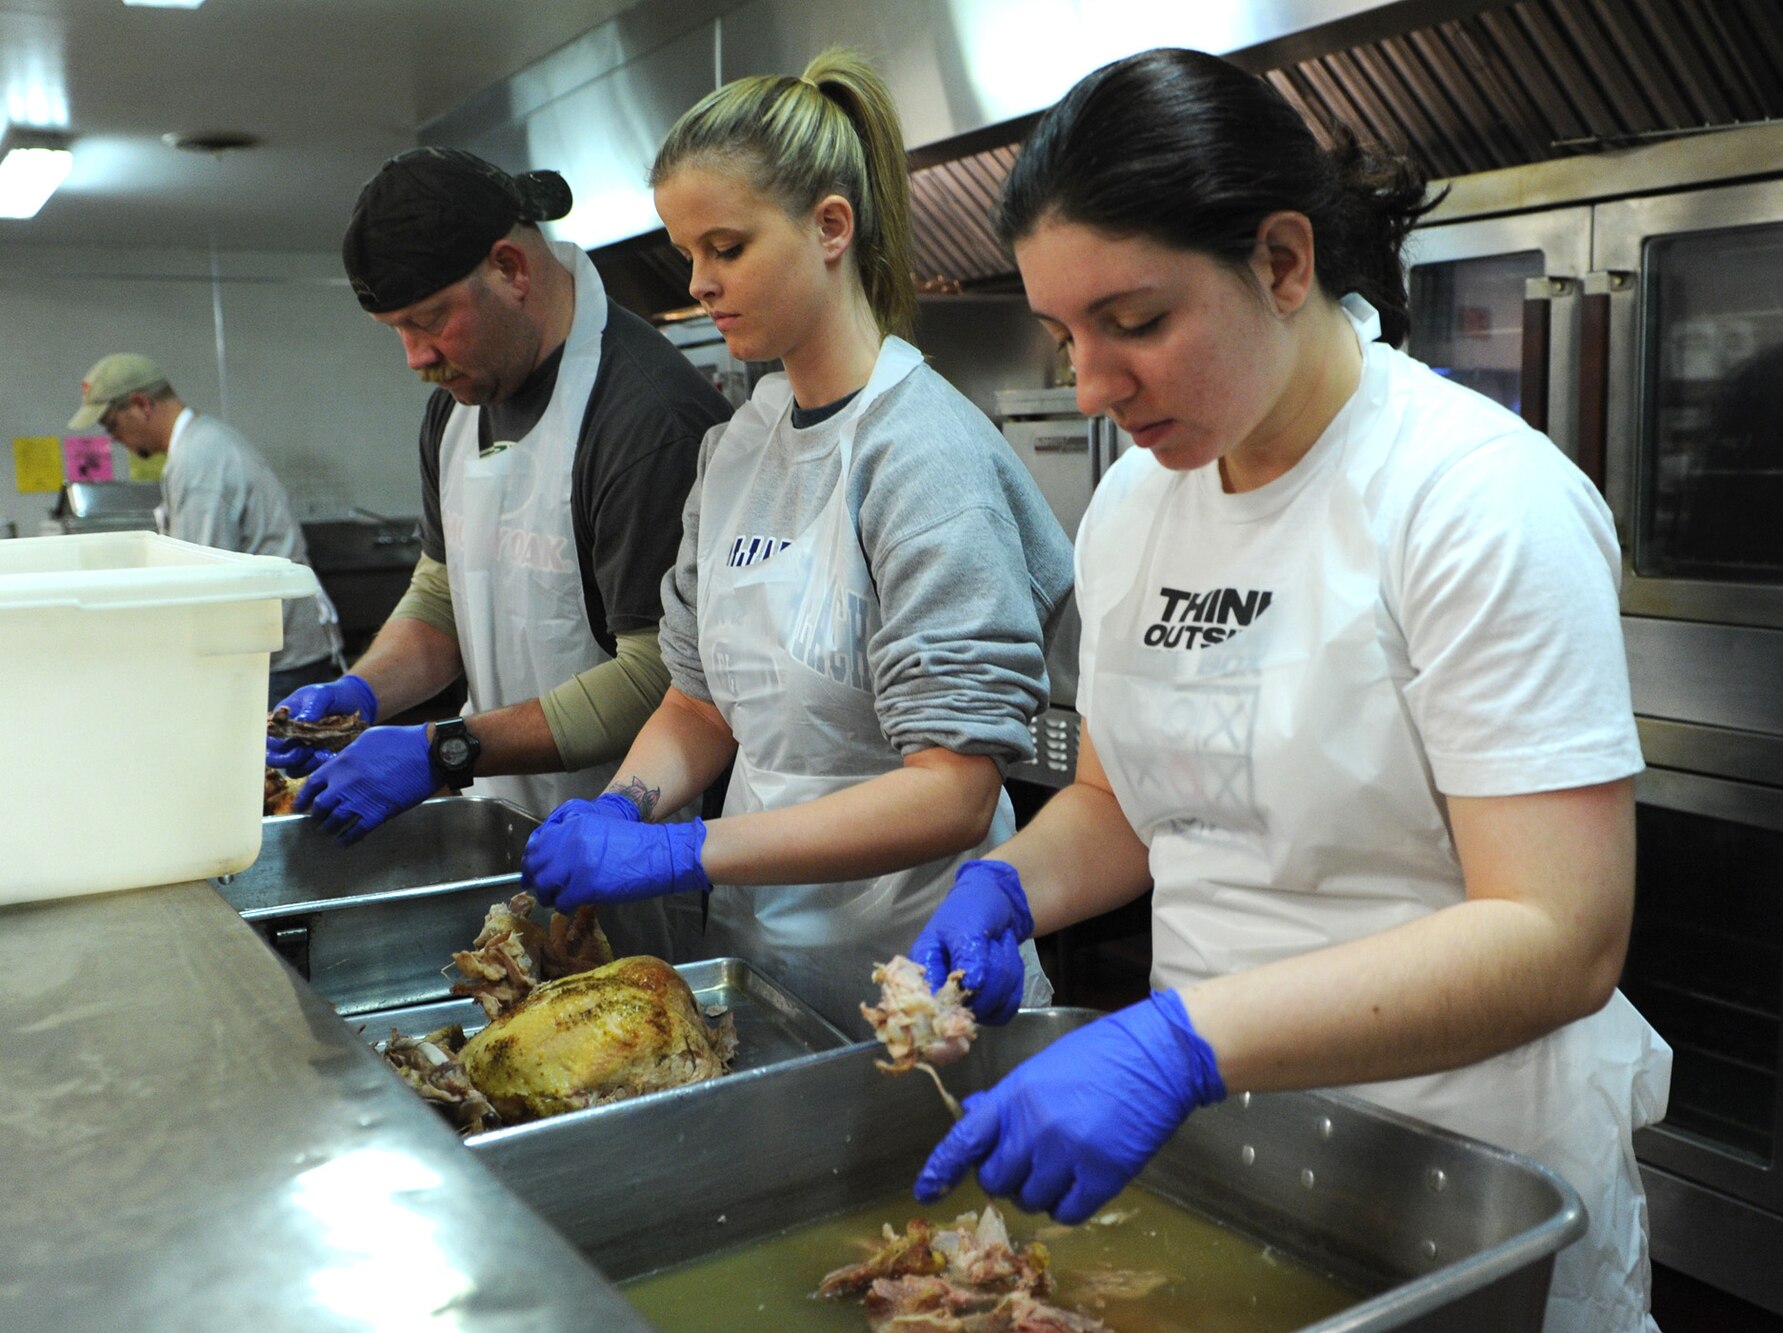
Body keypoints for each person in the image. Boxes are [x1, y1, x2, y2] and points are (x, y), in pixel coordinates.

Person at [907, 49, 1671, 1333]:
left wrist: (1179, 1043)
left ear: (1279, 260)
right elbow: (1121, 802)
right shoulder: (1132, 509)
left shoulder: (1474, 501)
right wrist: (1003, 888)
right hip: (1223, 1163)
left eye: (1134, 323)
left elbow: (1559, 934)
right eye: (1062, 337)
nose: (1091, 385)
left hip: (1465, 1185)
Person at [517, 49, 1072, 1037]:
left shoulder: (921, 451)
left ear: (829, 227)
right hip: (764, 969)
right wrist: (624, 807)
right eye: (688, 252)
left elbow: (951, 791)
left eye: (725, 247)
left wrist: (684, 852)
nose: (698, 281)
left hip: (922, 985)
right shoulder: (738, 447)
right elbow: (698, 702)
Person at [269, 147, 731, 960]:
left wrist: (443, 748)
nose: (414, 357)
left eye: (428, 320)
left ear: (511, 267)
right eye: (398, 330)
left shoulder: (644, 416)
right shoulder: (458, 405)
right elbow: (446, 592)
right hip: (511, 836)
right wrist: (358, 695)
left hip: (640, 855)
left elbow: (662, 678)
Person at [69, 353, 343, 705]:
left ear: (141, 404)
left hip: (276, 661)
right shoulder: (203, 443)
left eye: (111, 425)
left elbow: (203, 581)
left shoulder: (199, 460)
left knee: (269, 758)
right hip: (272, 651)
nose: (114, 439)